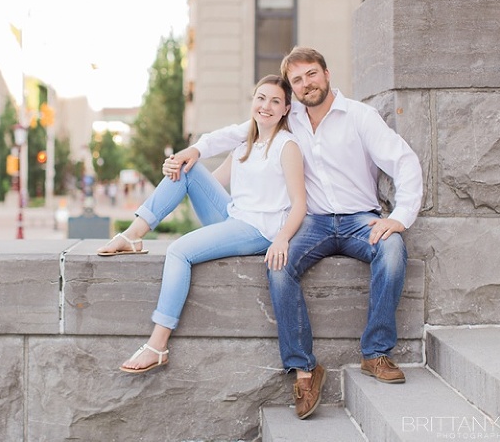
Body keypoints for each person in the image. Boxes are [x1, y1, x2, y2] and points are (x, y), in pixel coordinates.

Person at [165, 46, 423, 420]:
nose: (306, 84)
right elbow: (240, 131)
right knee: (278, 265)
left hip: (358, 219)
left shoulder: (359, 117)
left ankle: (376, 353)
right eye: (297, 80)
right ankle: (304, 370)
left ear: (327, 73)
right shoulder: (290, 119)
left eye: (311, 75)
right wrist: (195, 149)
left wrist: (399, 217)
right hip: (312, 222)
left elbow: (404, 161)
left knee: (394, 249)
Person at [96, 75, 308, 376]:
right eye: (261, 98)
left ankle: (158, 345)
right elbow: (212, 182)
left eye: (275, 101)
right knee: (186, 169)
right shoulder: (247, 141)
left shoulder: (287, 146)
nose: (266, 106)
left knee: (179, 251)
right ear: (253, 101)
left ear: (286, 109)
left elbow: (300, 202)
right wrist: (175, 168)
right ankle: (133, 235)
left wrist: (283, 239)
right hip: (235, 216)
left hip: (259, 230)